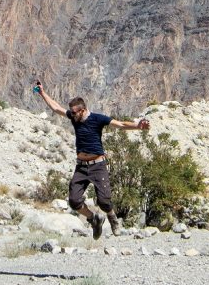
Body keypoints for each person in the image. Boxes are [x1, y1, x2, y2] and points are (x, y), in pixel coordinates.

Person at [34, 79, 149, 239]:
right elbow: (55, 108)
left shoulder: (98, 119)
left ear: (83, 110)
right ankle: (94, 219)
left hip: (98, 165)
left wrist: (137, 126)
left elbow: (121, 124)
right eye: (71, 112)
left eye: (74, 113)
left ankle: (112, 217)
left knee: (104, 201)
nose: (71, 115)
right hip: (81, 167)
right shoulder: (74, 118)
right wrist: (42, 92)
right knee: (74, 201)